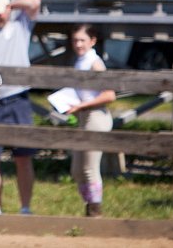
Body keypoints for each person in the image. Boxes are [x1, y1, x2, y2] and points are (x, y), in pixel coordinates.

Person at [0, 0, 40, 215]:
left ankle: (25, 207)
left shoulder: (20, 26)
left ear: (7, 10)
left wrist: (11, 5)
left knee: (23, 157)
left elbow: (35, 2)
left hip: (18, 99)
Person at [64, 24, 116, 218]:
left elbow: (109, 95)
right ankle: (89, 207)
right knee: (77, 169)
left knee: (89, 169)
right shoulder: (81, 61)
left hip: (95, 116)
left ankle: (95, 212)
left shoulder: (94, 62)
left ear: (92, 41)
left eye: (82, 40)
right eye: (75, 40)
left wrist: (81, 106)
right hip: (84, 116)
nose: (78, 44)